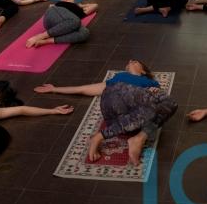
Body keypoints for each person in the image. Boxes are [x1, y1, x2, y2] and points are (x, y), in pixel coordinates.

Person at [34, 59, 177, 165]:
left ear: (143, 71)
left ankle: (137, 138)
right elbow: (83, 89)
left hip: (130, 120)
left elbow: (159, 106)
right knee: (158, 101)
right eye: (128, 62)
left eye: (134, 61)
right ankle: (119, 137)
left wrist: (154, 91)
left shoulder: (150, 83)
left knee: (168, 104)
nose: (130, 61)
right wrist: (54, 89)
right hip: (113, 107)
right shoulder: (118, 77)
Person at [25, 0, 98, 48]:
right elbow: (51, 6)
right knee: (75, 21)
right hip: (55, 13)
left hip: (65, 26)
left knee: (85, 33)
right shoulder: (59, 4)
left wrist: (80, 5)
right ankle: (40, 36)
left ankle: (47, 40)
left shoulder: (81, 11)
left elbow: (95, 5)